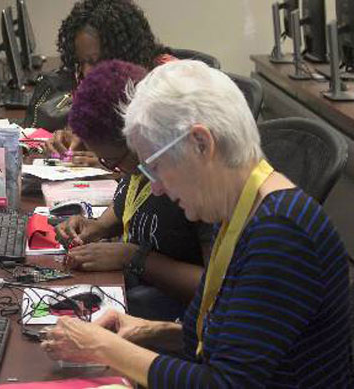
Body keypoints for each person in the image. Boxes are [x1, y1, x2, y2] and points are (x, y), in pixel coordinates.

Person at [42, 60, 352, 387]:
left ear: (201, 144)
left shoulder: (280, 233)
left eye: (157, 166)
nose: (157, 186)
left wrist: (106, 348)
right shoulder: (239, 210)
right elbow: (226, 341)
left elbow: (225, 383)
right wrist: (149, 330)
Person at [57, 59, 212, 321]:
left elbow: (217, 291)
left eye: (112, 161)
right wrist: (97, 227)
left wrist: (136, 258)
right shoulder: (138, 167)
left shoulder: (191, 183)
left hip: (176, 318)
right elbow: (127, 208)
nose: (113, 169)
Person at [45, 0, 170, 157]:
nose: (86, 72)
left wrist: (110, 162)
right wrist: (71, 135)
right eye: (81, 62)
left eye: (95, 61)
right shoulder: (94, 79)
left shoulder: (165, 84)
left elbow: (166, 158)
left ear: (123, 51)